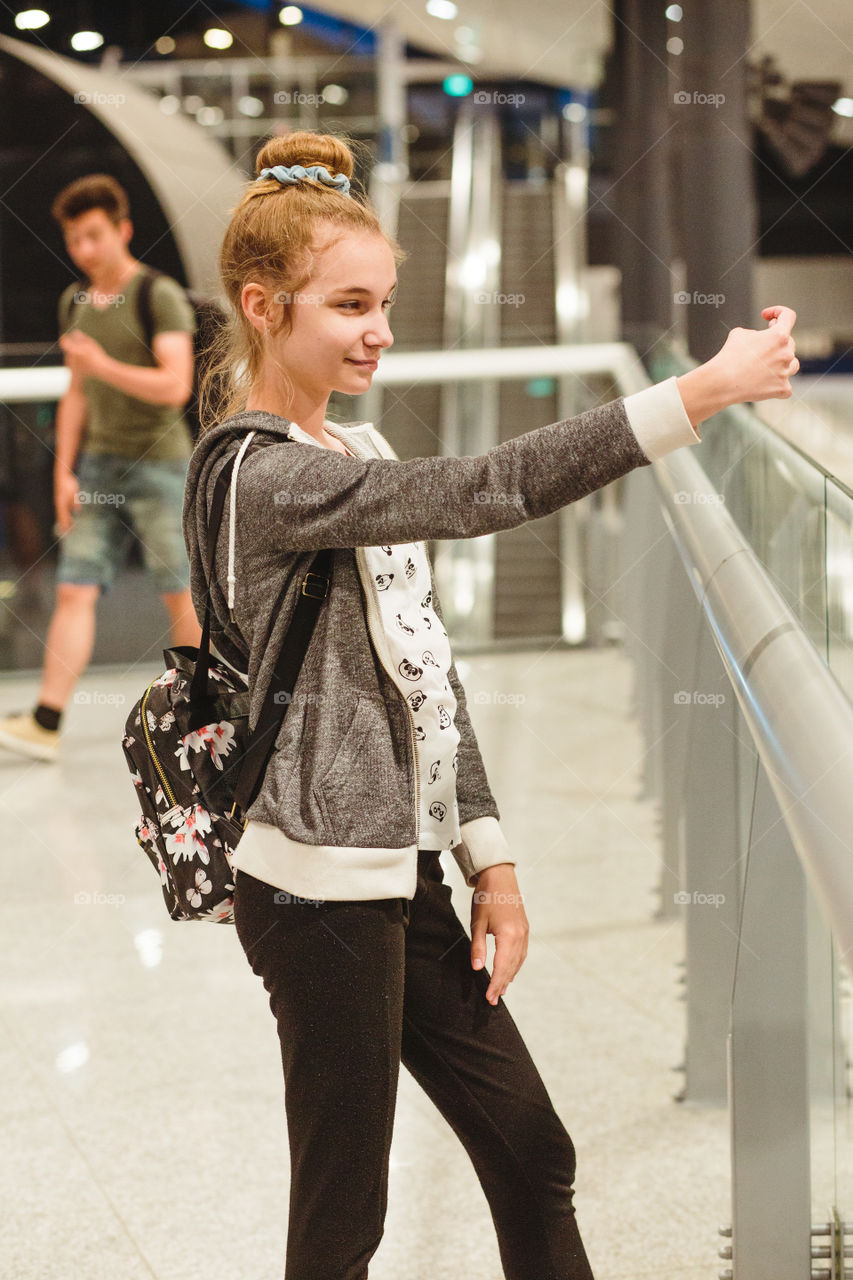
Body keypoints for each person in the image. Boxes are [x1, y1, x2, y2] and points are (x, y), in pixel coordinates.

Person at [183, 130, 799, 1280]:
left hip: (398, 871)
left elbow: (425, 664)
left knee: (530, 1149)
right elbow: (485, 488)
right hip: (318, 891)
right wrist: (700, 391)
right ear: (263, 308)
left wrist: (488, 855)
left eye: (384, 302)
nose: (378, 329)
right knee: (343, 1217)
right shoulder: (265, 474)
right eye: (349, 305)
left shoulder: (348, 443)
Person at [0, 174, 202, 762]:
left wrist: (99, 363)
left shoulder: (158, 294)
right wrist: (64, 471)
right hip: (98, 468)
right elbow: (77, 394)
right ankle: (46, 720)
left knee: (179, 591)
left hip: (162, 464)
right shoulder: (76, 302)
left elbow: (175, 386)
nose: (83, 250)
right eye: (73, 239)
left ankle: (205, 715)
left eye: (94, 236)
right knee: (75, 587)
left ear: (123, 230)